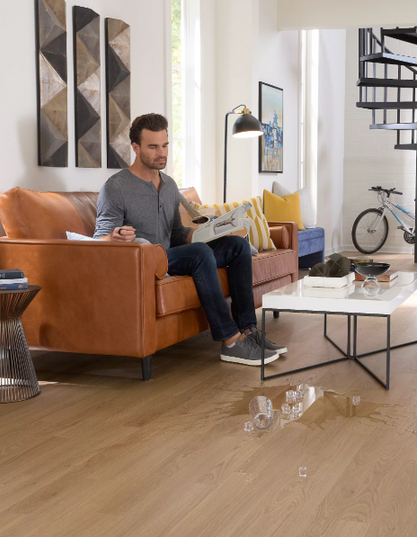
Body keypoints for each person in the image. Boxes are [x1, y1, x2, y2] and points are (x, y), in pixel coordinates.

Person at [94, 113, 287, 366]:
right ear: (136, 147)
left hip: (171, 255)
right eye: (153, 147)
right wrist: (114, 236)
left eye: (165, 145)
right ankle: (230, 341)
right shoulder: (115, 187)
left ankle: (248, 331)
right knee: (199, 253)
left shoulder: (169, 185)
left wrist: (209, 232)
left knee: (237, 246)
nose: (161, 153)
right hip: (145, 260)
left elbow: (176, 233)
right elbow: (98, 239)